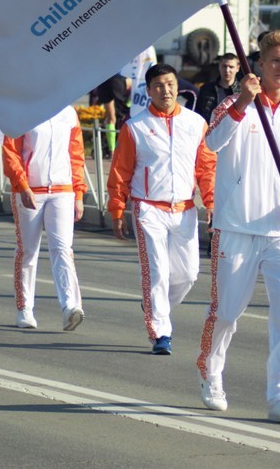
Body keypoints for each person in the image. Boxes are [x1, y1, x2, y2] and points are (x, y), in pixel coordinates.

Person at [196, 29, 280, 425]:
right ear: (260, 64)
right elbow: (212, 143)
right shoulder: (235, 105)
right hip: (236, 228)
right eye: (275, 61)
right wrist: (244, 101)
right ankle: (211, 372)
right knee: (228, 312)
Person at [107, 63, 215, 356]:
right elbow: (120, 172)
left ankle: (155, 303)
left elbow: (206, 167)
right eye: (158, 86)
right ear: (149, 90)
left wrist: (212, 203)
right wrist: (117, 210)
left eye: (170, 84)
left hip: (184, 209)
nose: (165, 91)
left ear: (177, 86)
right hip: (148, 209)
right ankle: (161, 333)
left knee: (188, 274)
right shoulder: (135, 127)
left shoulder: (195, 124)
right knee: (157, 272)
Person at [2, 106, 86, 331]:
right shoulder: (23, 110)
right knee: (28, 251)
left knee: (63, 248)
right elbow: (10, 151)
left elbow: (76, 155)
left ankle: (70, 307)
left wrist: (78, 193)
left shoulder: (68, 112)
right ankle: (25, 309)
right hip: (30, 191)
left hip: (62, 190)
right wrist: (21, 184)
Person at [196, 53, 240, 123]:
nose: (227, 70)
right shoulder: (206, 89)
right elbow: (197, 115)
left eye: (231, 67)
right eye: (224, 66)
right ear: (219, 66)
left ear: (237, 68)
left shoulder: (242, 91)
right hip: (210, 131)